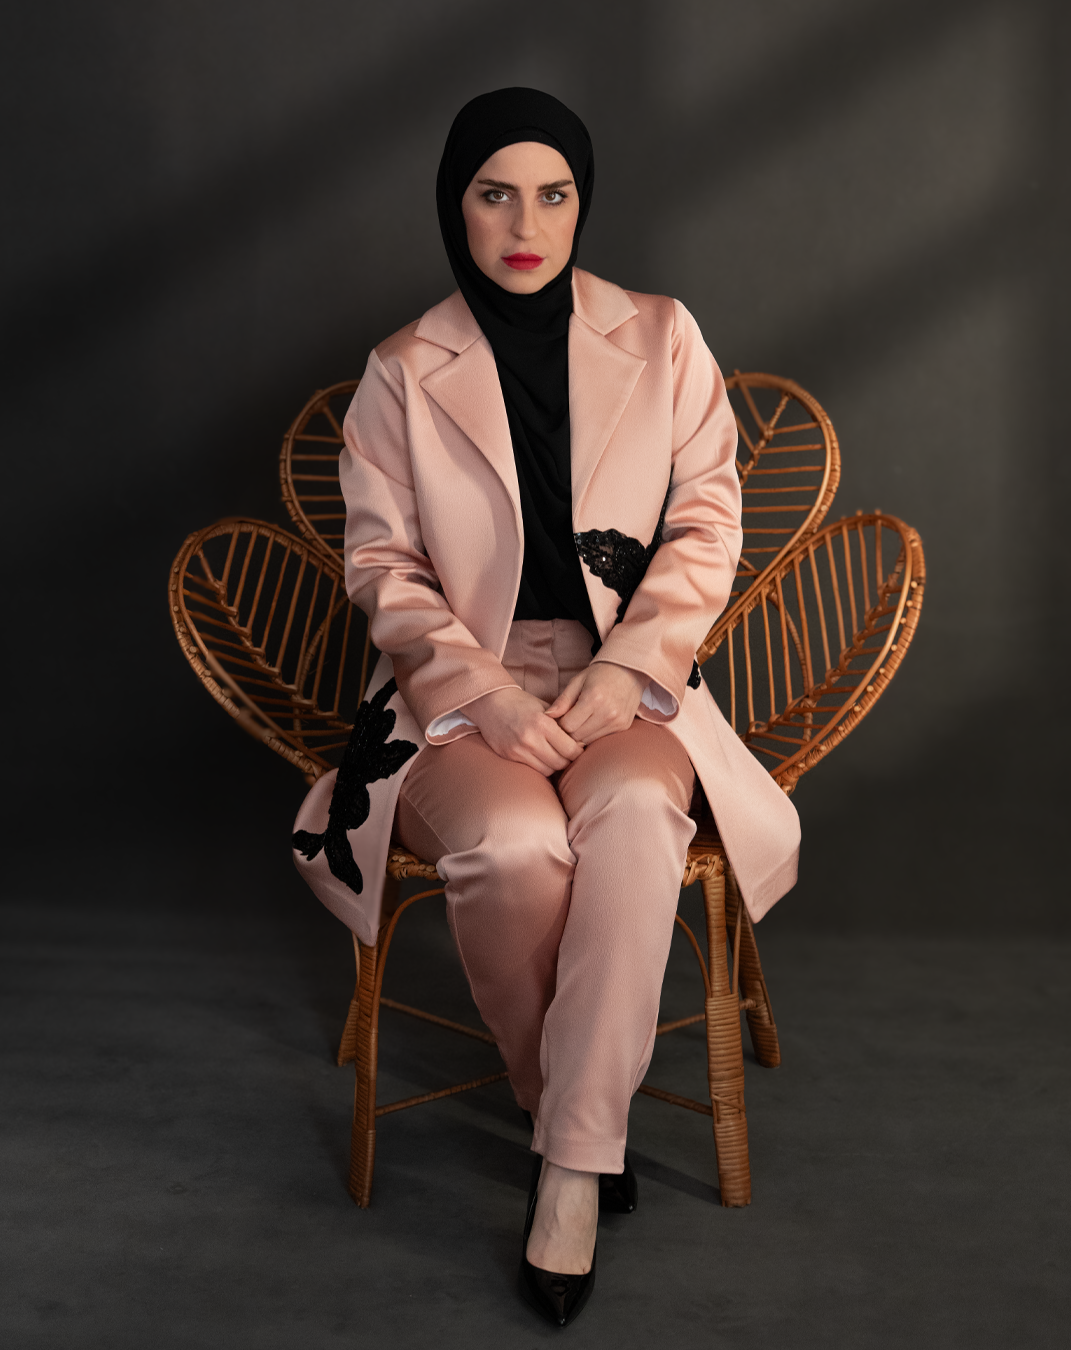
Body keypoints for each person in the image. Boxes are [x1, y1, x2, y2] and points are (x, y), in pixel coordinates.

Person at [292, 87, 800, 1327]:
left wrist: (627, 670)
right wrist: (480, 694)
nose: (527, 226)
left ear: (583, 204)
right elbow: (381, 564)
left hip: (631, 670)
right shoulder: (402, 369)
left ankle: (569, 1172)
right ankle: (579, 1114)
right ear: (454, 205)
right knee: (514, 842)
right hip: (457, 677)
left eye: (554, 195)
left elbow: (708, 521)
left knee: (631, 817)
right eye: (495, 195)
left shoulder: (663, 336)